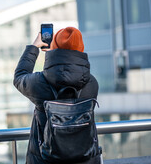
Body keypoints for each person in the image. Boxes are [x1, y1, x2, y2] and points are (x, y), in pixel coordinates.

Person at [13, 27, 100, 164]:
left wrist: (34, 47)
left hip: (45, 159)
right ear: (81, 48)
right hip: (84, 159)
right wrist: (57, 57)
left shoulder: (40, 82)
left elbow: (19, 77)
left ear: (54, 47)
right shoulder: (91, 83)